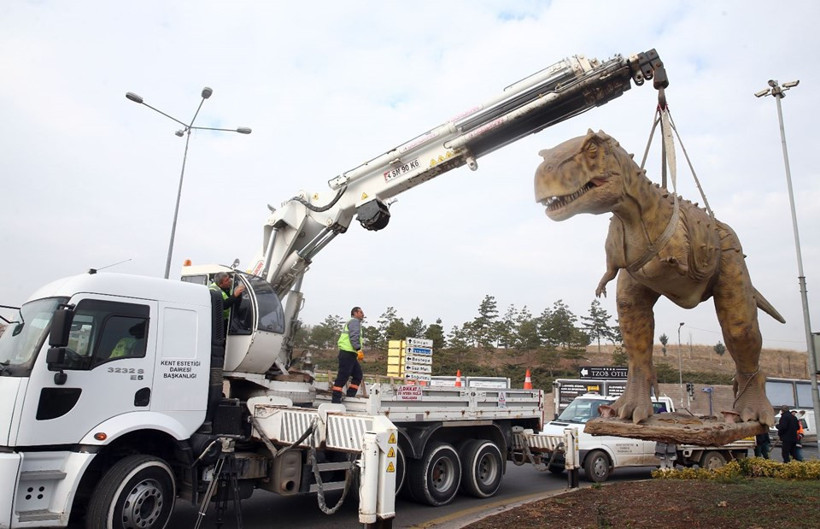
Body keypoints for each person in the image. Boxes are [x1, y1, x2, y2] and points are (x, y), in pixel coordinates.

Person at [331, 306, 365, 404]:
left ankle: (350, 397)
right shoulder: (354, 322)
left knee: (358, 375)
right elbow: (354, 336)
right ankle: (335, 401)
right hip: (347, 353)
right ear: (355, 313)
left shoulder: (354, 322)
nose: (363, 314)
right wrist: (358, 349)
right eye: (361, 312)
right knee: (343, 376)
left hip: (351, 354)